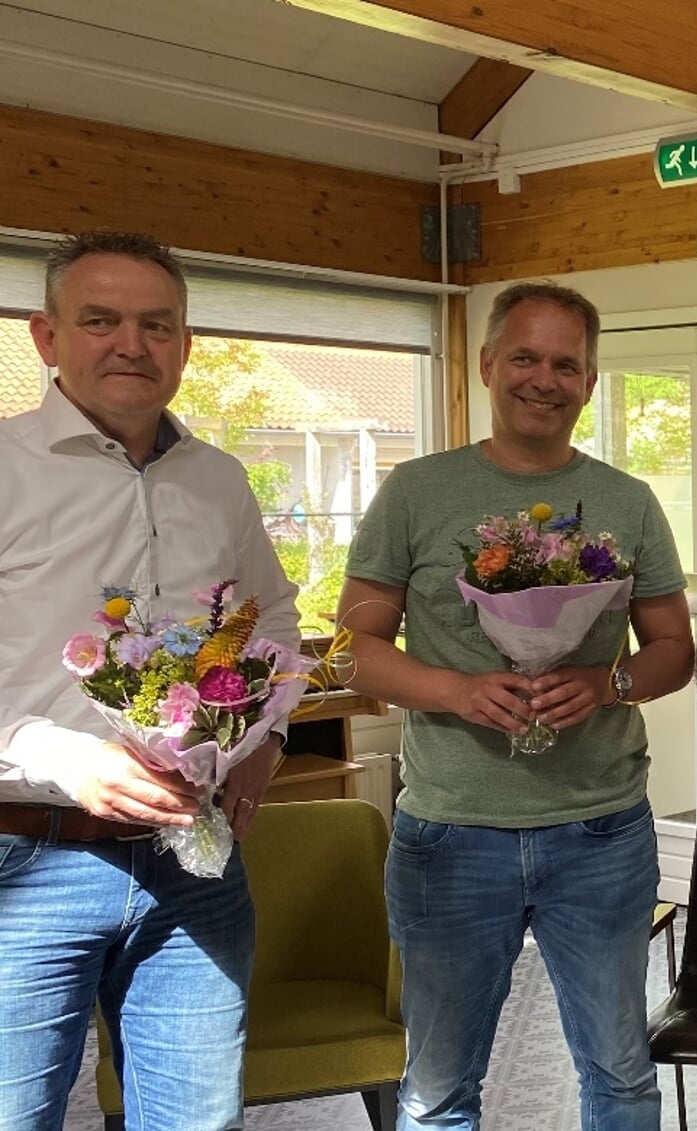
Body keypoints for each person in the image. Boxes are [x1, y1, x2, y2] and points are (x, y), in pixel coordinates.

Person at [336, 282, 694, 1130]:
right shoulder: (417, 493)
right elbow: (359, 652)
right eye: (525, 357)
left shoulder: (628, 500)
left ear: (590, 381)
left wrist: (608, 684)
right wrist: (459, 690)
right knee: (439, 1089)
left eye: (566, 363)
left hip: (601, 830)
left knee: (619, 1073)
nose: (545, 378)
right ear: (489, 364)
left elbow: (673, 650)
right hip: (451, 834)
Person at [0, 229, 300, 1130]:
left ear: (184, 344)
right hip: (25, 858)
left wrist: (270, 739)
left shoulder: (220, 480)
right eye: (100, 320)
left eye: (156, 324)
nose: (131, 343)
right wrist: (53, 751)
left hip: (194, 864)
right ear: (46, 337)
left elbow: (274, 622)